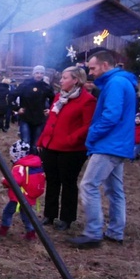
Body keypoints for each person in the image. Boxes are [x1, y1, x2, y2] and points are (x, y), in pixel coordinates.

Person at [68, 50, 137, 248]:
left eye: (93, 68)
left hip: (109, 144)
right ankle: (115, 232)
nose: (91, 73)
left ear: (105, 65)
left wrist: (92, 134)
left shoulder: (115, 83)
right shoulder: (121, 82)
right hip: (119, 144)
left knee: (88, 185)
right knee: (114, 190)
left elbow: (111, 116)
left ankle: (93, 233)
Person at [37, 66, 96, 231]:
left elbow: (87, 126)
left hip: (71, 150)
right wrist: (42, 140)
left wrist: (71, 139)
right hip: (51, 146)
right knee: (52, 180)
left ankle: (67, 218)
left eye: (65, 78)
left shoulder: (87, 100)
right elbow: (51, 122)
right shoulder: (59, 97)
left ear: (75, 80)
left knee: (68, 182)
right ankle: (50, 214)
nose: (61, 81)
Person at [0, 140, 45, 241]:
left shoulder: (19, 167)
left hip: (19, 196)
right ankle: (31, 232)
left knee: (7, 212)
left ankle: (3, 229)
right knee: (26, 214)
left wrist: (4, 181)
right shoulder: (35, 163)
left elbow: (15, 181)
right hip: (29, 195)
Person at [9, 65, 54, 149]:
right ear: (33, 74)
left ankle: (34, 161)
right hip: (26, 117)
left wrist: (49, 109)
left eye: (41, 73)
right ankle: (24, 161)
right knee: (25, 143)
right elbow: (11, 96)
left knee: (36, 144)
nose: (39, 75)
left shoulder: (46, 87)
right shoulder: (25, 85)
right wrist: (17, 108)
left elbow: (53, 99)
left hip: (39, 118)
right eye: (37, 73)